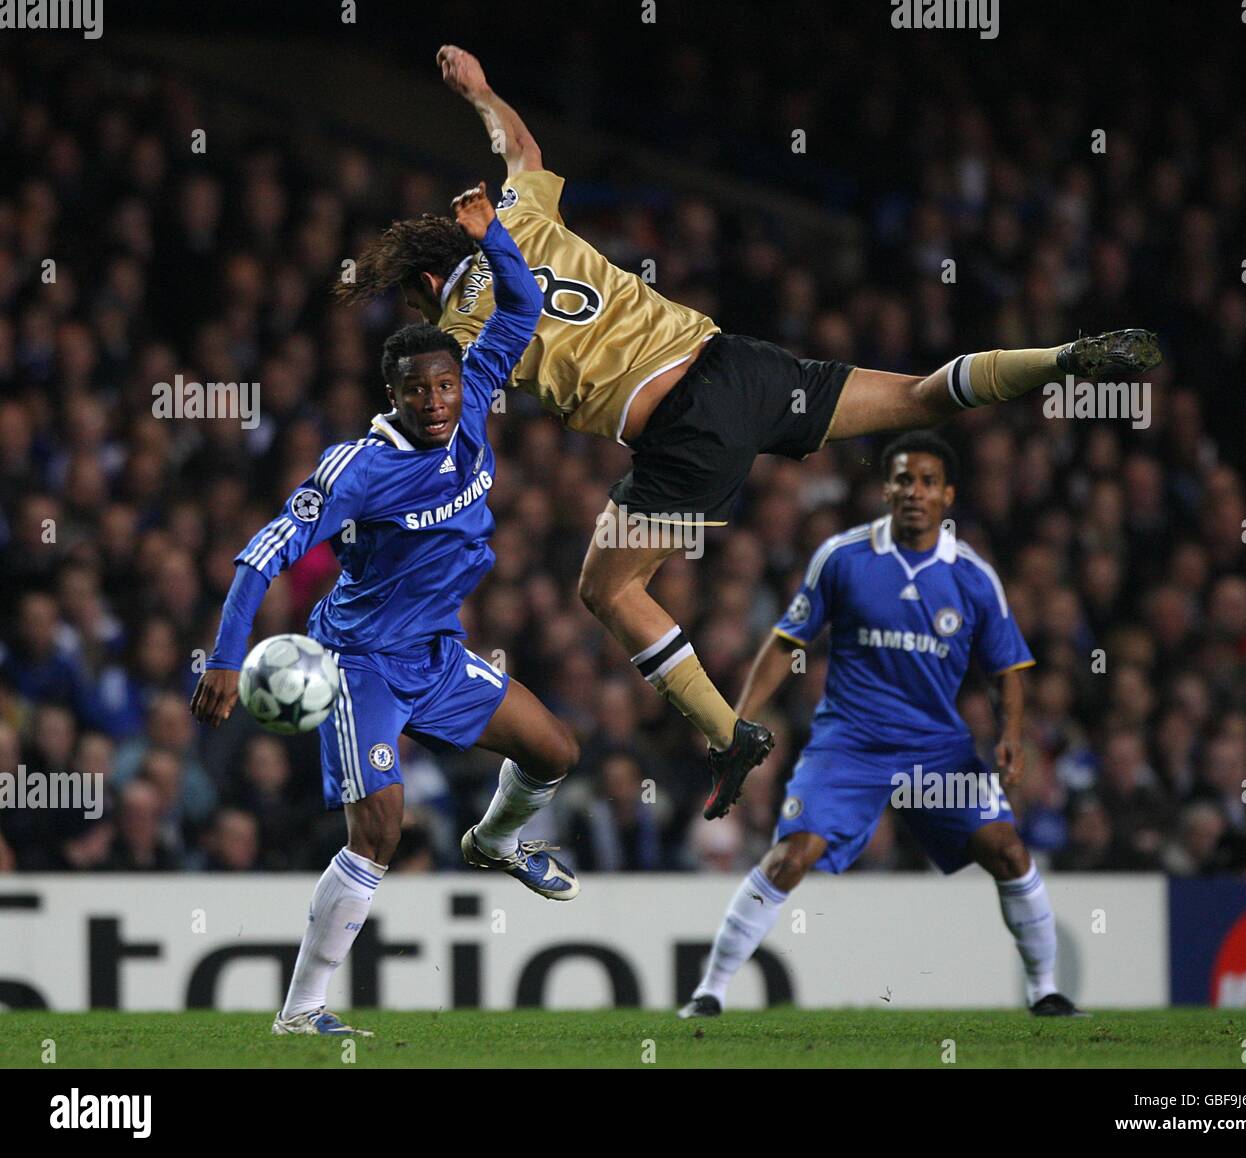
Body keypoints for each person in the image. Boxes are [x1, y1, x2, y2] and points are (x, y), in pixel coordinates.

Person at [339, 45, 1162, 821]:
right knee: (918, 397)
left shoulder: (455, 333)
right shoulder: (523, 218)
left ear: (423, 283)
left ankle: (729, 733)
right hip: (735, 364)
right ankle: (1057, 357)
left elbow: (454, 406)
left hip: (680, 430)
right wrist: (480, 92)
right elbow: (521, 146)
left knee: (608, 588)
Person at [191, 187, 581, 1038]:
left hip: (437, 653)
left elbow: (520, 304)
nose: (438, 401)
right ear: (395, 395)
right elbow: (263, 556)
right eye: (419, 391)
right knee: (381, 828)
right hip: (359, 662)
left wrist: (496, 238)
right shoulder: (358, 470)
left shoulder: (476, 391)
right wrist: (225, 656)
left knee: (555, 750)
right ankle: (301, 1014)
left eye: (444, 384)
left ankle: (497, 842)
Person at [679, 432, 1085, 1018]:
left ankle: (1045, 990)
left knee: (1008, 852)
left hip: (936, 750)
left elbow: (1007, 670)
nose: (912, 492)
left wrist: (1011, 736)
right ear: (886, 488)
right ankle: (709, 992)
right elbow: (785, 641)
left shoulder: (972, 577)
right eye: (901, 480)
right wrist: (734, 721)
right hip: (849, 746)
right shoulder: (844, 557)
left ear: (946, 494)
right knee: (792, 855)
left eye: (925, 481)